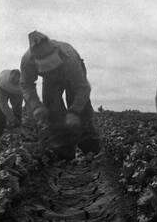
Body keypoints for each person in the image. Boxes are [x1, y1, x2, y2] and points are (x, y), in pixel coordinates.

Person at [20, 30, 100, 159]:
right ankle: (63, 152)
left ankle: (90, 149)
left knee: (82, 111)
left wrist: (74, 111)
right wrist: (36, 106)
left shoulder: (69, 57)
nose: (52, 69)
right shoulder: (27, 61)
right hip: (50, 81)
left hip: (72, 77)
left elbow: (83, 88)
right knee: (52, 111)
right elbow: (26, 85)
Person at [0, 69, 23, 137]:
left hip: (17, 91)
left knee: (17, 108)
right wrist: (12, 119)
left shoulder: (22, 84)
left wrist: (17, 119)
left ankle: (17, 127)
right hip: (2, 89)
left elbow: (19, 104)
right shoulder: (1, 83)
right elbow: (3, 105)